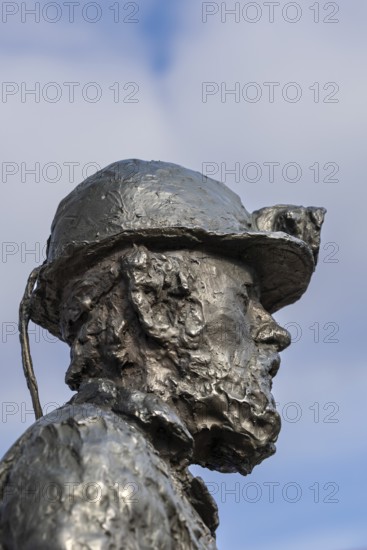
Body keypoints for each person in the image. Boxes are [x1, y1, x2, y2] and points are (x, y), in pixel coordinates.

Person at [0, 159, 325, 549]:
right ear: (155, 304)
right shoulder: (95, 461)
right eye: (246, 298)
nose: (274, 332)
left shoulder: (134, 466)